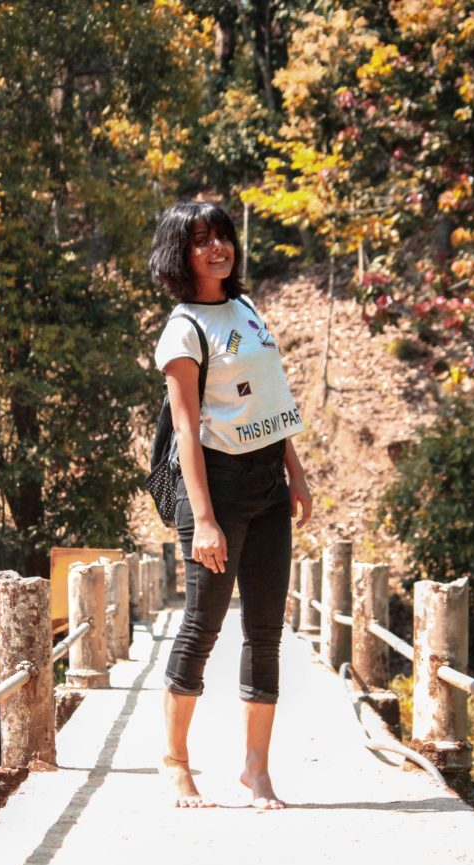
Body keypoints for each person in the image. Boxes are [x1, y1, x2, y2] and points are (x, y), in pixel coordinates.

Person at [149, 200, 312, 809]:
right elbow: (187, 432)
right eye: (202, 240)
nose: (219, 248)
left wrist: (296, 473)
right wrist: (206, 522)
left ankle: (256, 770)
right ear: (179, 253)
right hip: (215, 488)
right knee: (201, 625)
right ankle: (175, 763)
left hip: (269, 485)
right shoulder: (183, 329)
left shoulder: (244, 308)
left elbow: (274, 399)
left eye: (223, 236)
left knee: (265, 630)